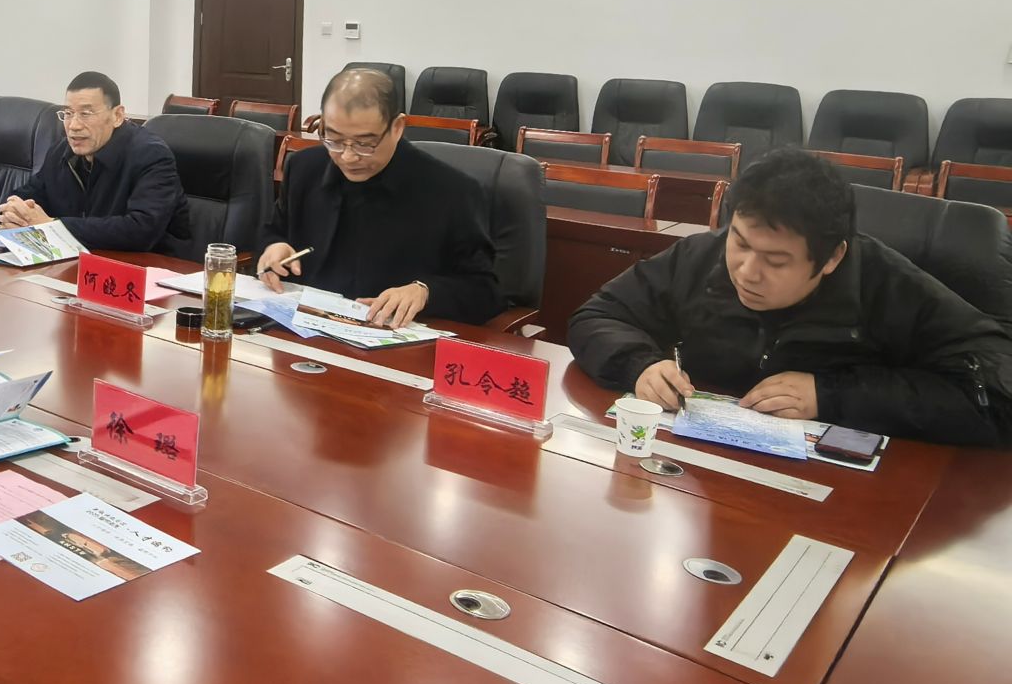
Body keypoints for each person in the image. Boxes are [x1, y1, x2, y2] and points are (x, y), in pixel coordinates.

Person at [570, 148, 1012, 446]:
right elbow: (596, 316)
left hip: (849, 493)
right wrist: (640, 364)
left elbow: (998, 394)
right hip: (708, 464)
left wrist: (832, 396)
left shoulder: (890, 286)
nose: (746, 271)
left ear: (832, 257)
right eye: (740, 242)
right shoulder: (701, 257)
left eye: (777, 261)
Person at [256, 67, 502, 327]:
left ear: (397, 127)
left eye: (364, 143)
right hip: (303, 327)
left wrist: (425, 291)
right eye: (334, 139)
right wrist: (274, 247)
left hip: (392, 335)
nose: (348, 157)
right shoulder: (304, 169)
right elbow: (273, 231)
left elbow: (485, 291)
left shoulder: (451, 191)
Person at [0, 71, 183, 251]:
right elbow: (31, 194)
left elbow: (141, 230)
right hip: (80, 258)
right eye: (68, 113)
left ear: (117, 116)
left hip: (146, 265)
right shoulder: (61, 151)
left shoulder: (151, 155)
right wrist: (12, 212)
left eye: (86, 113)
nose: (74, 126)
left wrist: (52, 226)